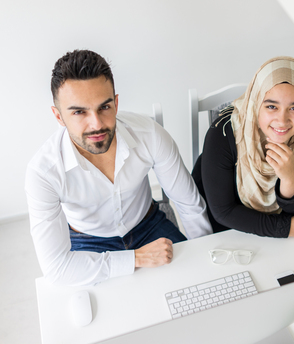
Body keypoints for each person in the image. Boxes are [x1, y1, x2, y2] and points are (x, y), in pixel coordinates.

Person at [25, 50, 212, 286]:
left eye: (104, 107)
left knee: (195, 287)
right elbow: (56, 269)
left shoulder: (150, 135)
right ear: (59, 116)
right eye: (79, 112)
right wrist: (135, 259)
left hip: (148, 225)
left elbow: (189, 205)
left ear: (116, 102)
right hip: (87, 241)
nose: (96, 124)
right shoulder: (42, 172)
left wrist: (207, 258)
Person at [192, 56, 294, 238]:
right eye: (272, 106)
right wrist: (285, 228)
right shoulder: (223, 132)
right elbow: (223, 212)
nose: (282, 121)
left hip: (273, 228)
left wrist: (289, 177)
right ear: (256, 103)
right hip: (224, 227)